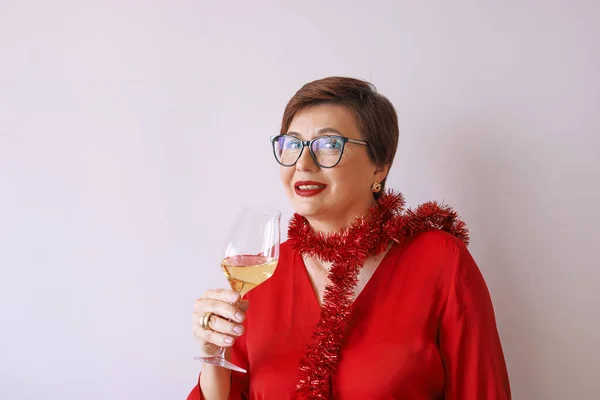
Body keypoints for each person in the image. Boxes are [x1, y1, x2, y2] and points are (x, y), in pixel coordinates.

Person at [188, 77, 511, 399]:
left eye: (329, 145)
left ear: (380, 167)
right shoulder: (263, 271)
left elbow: (481, 390)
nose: (303, 163)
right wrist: (213, 358)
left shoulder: (439, 259)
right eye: (293, 144)